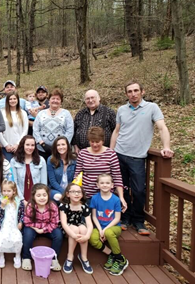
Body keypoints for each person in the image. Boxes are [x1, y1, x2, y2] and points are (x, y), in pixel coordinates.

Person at [110, 81, 174, 235]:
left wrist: (166, 147)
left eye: (136, 90)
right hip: (120, 154)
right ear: (126, 94)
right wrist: (111, 152)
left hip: (137, 157)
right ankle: (125, 218)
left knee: (139, 190)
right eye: (130, 91)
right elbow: (117, 131)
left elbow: (162, 127)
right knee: (122, 189)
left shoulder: (152, 108)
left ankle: (138, 221)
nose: (133, 94)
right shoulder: (121, 110)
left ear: (142, 92)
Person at [75, 127, 126, 210]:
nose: (95, 144)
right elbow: (77, 175)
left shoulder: (111, 154)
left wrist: (121, 197)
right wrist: (77, 193)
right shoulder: (83, 153)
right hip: (87, 195)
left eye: (97, 142)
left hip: (106, 195)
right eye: (92, 142)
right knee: (87, 221)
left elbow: (117, 177)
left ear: (102, 141)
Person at [89, 174, 129, 276]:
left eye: (107, 183)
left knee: (108, 232)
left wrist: (105, 229)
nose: (105, 185)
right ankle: (112, 255)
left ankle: (120, 259)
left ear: (112, 185)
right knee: (92, 238)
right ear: (97, 185)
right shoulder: (94, 198)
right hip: (99, 226)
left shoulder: (115, 199)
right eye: (102, 183)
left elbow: (117, 218)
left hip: (114, 227)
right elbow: (94, 216)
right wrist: (100, 229)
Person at [21, 184, 62, 271]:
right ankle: (26, 258)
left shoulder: (53, 206)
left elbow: (55, 222)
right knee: (27, 234)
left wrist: (43, 229)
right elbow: (27, 221)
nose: (42, 198)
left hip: (47, 228)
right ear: (34, 197)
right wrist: (37, 229)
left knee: (58, 234)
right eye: (38, 195)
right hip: (33, 228)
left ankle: (54, 258)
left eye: (44, 195)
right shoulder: (30, 206)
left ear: (48, 195)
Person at [60, 183, 93, 274]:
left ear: (82, 195)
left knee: (83, 229)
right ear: (67, 194)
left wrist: (87, 236)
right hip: (68, 228)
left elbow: (89, 224)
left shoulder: (84, 207)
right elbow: (64, 224)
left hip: (79, 225)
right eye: (73, 192)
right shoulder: (64, 206)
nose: (76, 194)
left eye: (79, 192)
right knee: (74, 229)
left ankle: (84, 257)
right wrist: (73, 235)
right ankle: (69, 257)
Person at [0, 180, 24, 269]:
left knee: (17, 239)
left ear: (14, 191)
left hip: (14, 226)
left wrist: (21, 222)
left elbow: (22, 214)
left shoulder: (18, 202)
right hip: (3, 226)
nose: (6, 193)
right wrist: (2, 206)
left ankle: (17, 256)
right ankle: (1, 257)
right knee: (1, 239)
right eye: (4, 191)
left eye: (9, 191)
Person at [33, 89, 73, 160]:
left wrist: (62, 145)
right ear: (49, 100)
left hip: (61, 150)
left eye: (58, 99)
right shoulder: (41, 113)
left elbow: (70, 131)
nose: (55, 100)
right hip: (42, 149)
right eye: (53, 98)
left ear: (61, 101)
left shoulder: (66, 113)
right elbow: (35, 130)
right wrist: (42, 144)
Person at [72, 89, 116, 154]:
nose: (90, 100)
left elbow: (116, 131)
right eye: (87, 98)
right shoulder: (80, 114)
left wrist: (111, 150)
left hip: (103, 153)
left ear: (99, 98)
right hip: (83, 154)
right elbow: (74, 131)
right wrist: (75, 146)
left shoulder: (109, 112)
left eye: (92, 97)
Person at [10, 135, 47, 201]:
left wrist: (39, 199)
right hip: (19, 198)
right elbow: (14, 183)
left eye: (32, 145)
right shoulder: (14, 161)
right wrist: (22, 200)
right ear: (22, 145)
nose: (30, 147)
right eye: (27, 145)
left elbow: (44, 184)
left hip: (37, 199)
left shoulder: (41, 160)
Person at [0, 91, 29, 162]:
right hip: (5, 147)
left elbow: (25, 130)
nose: (12, 101)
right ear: (7, 101)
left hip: (19, 146)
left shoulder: (23, 113)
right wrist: (6, 145)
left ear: (18, 100)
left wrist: (17, 144)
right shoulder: (2, 112)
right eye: (10, 99)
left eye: (14, 99)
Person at [47, 136, 77, 202]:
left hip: (71, 189)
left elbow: (75, 178)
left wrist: (70, 191)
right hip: (55, 190)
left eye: (63, 144)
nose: (61, 147)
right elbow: (52, 181)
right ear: (55, 147)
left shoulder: (74, 159)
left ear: (68, 146)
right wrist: (64, 192)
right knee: (59, 197)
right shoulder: (50, 160)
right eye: (58, 145)